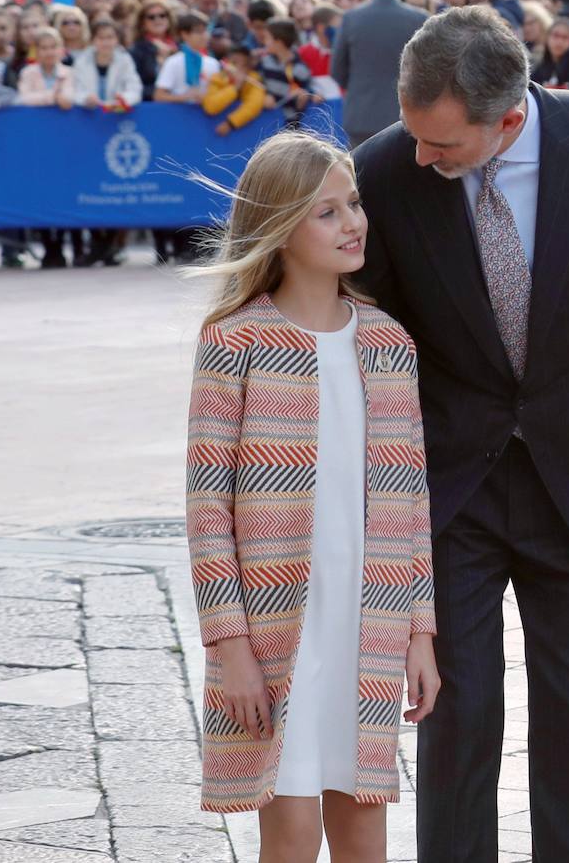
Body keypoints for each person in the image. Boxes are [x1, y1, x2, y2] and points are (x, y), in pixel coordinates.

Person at [352, 6, 569, 863]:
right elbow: (365, 338)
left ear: (508, 119)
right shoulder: (387, 170)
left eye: (445, 146)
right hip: (450, 490)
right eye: (415, 137)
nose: (423, 159)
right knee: (456, 713)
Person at [183, 132, 438, 855]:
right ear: (279, 227)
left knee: (366, 836)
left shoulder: (390, 345)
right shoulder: (236, 342)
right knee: (289, 839)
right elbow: (208, 512)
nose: (352, 222)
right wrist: (231, 648)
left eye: (352, 203)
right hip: (274, 637)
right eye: (326, 212)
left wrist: (421, 632)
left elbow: (412, 503)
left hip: (369, 627)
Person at [331, 0, 426, 147]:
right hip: (406, 118)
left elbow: (337, 69)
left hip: (361, 115)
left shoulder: (352, 18)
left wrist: (359, 87)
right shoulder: (419, 18)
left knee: (360, 176)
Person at [258, 17, 319, 126]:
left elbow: (307, 93)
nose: (264, 42)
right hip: (268, 125)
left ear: (279, 42)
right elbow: (258, 84)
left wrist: (305, 97)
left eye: (267, 38)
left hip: (290, 128)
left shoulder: (300, 69)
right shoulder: (265, 62)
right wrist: (263, 96)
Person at [71, 18, 142, 109]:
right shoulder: (81, 61)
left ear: (117, 39)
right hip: (87, 115)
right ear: (92, 40)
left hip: (116, 115)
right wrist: (85, 99)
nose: (105, 42)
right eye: (101, 38)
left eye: (110, 37)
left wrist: (124, 99)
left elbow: (135, 89)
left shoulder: (125, 60)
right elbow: (75, 90)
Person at [155, 12, 221, 103]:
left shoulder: (213, 63)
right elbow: (159, 96)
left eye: (206, 31)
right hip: (179, 115)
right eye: (199, 31)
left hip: (207, 115)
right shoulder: (173, 62)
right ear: (184, 34)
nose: (205, 36)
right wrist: (184, 97)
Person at [204, 45, 267, 136]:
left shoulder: (254, 80)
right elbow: (210, 107)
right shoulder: (218, 78)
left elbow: (254, 105)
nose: (239, 68)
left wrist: (230, 123)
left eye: (244, 65)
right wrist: (235, 88)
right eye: (234, 63)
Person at [529, 16, 569, 94]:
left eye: (565, 37)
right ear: (547, 37)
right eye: (556, 35)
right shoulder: (544, 63)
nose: (559, 42)